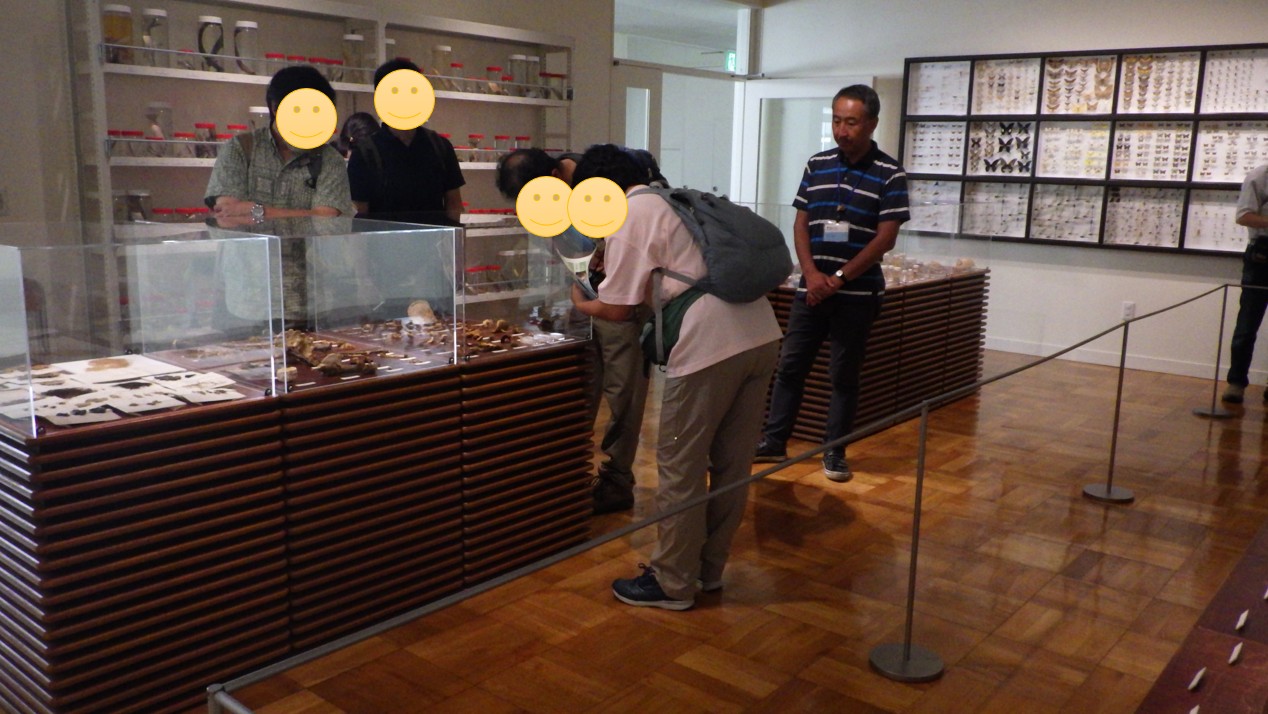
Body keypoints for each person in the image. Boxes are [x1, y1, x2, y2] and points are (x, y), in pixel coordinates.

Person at [570, 144, 782, 610]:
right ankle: (707, 571)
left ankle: (671, 581)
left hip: (709, 345)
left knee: (680, 463)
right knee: (731, 465)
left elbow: (619, 309)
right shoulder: (673, 199)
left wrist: (580, 301)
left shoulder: (628, 214)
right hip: (761, 334)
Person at [753, 84, 910, 482]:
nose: (842, 130)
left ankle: (835, 450)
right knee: (790, 367)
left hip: (856, 294)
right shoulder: (818, 164)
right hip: (811, 290)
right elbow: (801, 222)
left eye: (851, 122)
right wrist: (810, 274)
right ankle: (774, 440)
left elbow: (886, 238)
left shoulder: (890, 173)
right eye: (838, 121)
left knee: (844, 376)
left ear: (872, 123)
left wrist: (838, 279)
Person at [496, 147, 650, 514]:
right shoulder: (555, 191)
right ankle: (569, 472)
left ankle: (617, 480)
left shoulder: (602, 180)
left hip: (620, 307)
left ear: (554, 175)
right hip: (579, 305)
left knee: (624, 394)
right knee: (579, 388)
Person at [204, 64, 355, 222]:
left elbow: (327, 218)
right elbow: (228, 213)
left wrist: (258, 211)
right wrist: (307, 213)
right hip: (248, 240)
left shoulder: (330, 159)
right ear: (275, 108)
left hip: (307, 241)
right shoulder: (240, 148)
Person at [348, 59, 465, 225]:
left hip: (434, 240)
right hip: (384, 241)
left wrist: (451, 237)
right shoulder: (364, 153)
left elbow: (454, 203)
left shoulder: (440, 147)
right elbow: (360, 213)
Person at [1223, 163, 1268, 404]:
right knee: (1247, 324)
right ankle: (1236, 382)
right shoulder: (1260, 176)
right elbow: (1243, 216)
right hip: (1262, 257)